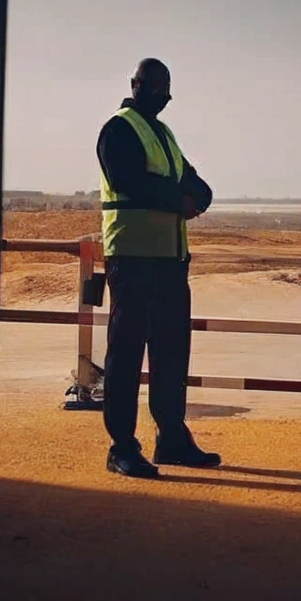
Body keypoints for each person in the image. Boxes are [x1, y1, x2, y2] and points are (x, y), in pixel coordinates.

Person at [96, 58, 220, 478]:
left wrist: (198, 197)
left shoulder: (163, 134)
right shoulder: (118, 130)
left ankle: (171, 438)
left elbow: (194, 181)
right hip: (132, 259)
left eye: (165, 88)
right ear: (135, 84)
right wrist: (179, 200)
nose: (161, 95)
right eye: (152, 86)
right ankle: (122, 447)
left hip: (170, 262)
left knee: (171, 352)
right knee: (126, 353)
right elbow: (129, 180)